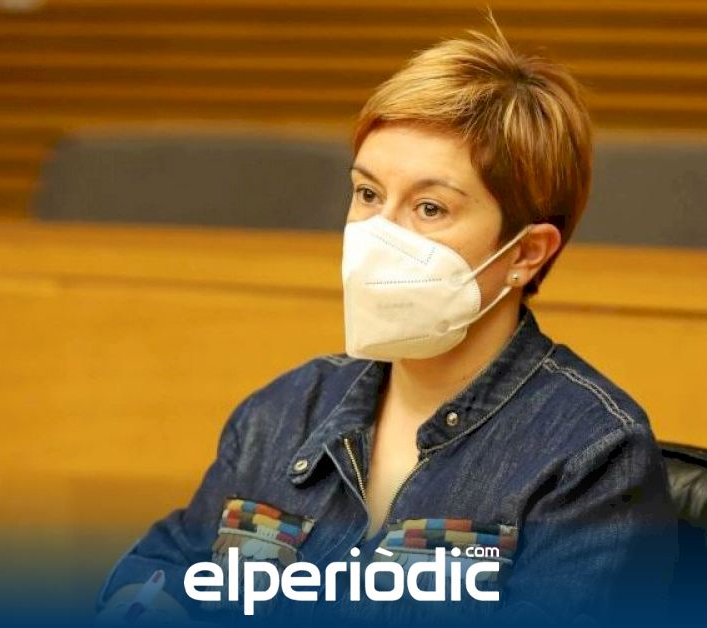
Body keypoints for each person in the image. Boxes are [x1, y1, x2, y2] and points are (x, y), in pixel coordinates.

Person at [97, 18, 676, 626]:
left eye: (429, 207)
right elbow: (162, 568)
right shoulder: (281, 413)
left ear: (526, 254)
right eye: (368, 194)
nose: (380, 234)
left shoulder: (591, 454)